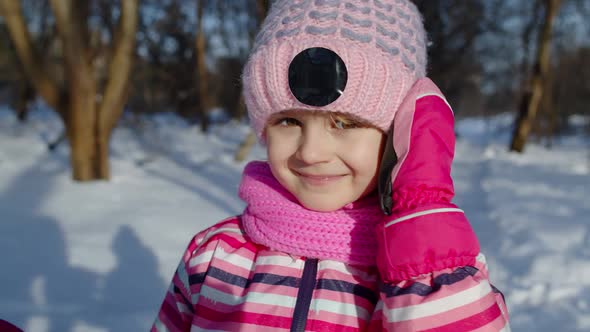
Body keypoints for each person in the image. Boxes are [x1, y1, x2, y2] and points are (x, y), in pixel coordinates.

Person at [152, 0, 510, 331]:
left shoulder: (436, 274)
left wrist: (424, 237)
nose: (311, 152)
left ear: (400, 131)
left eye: (345, 123)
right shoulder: (214, 255)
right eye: (289, 121)